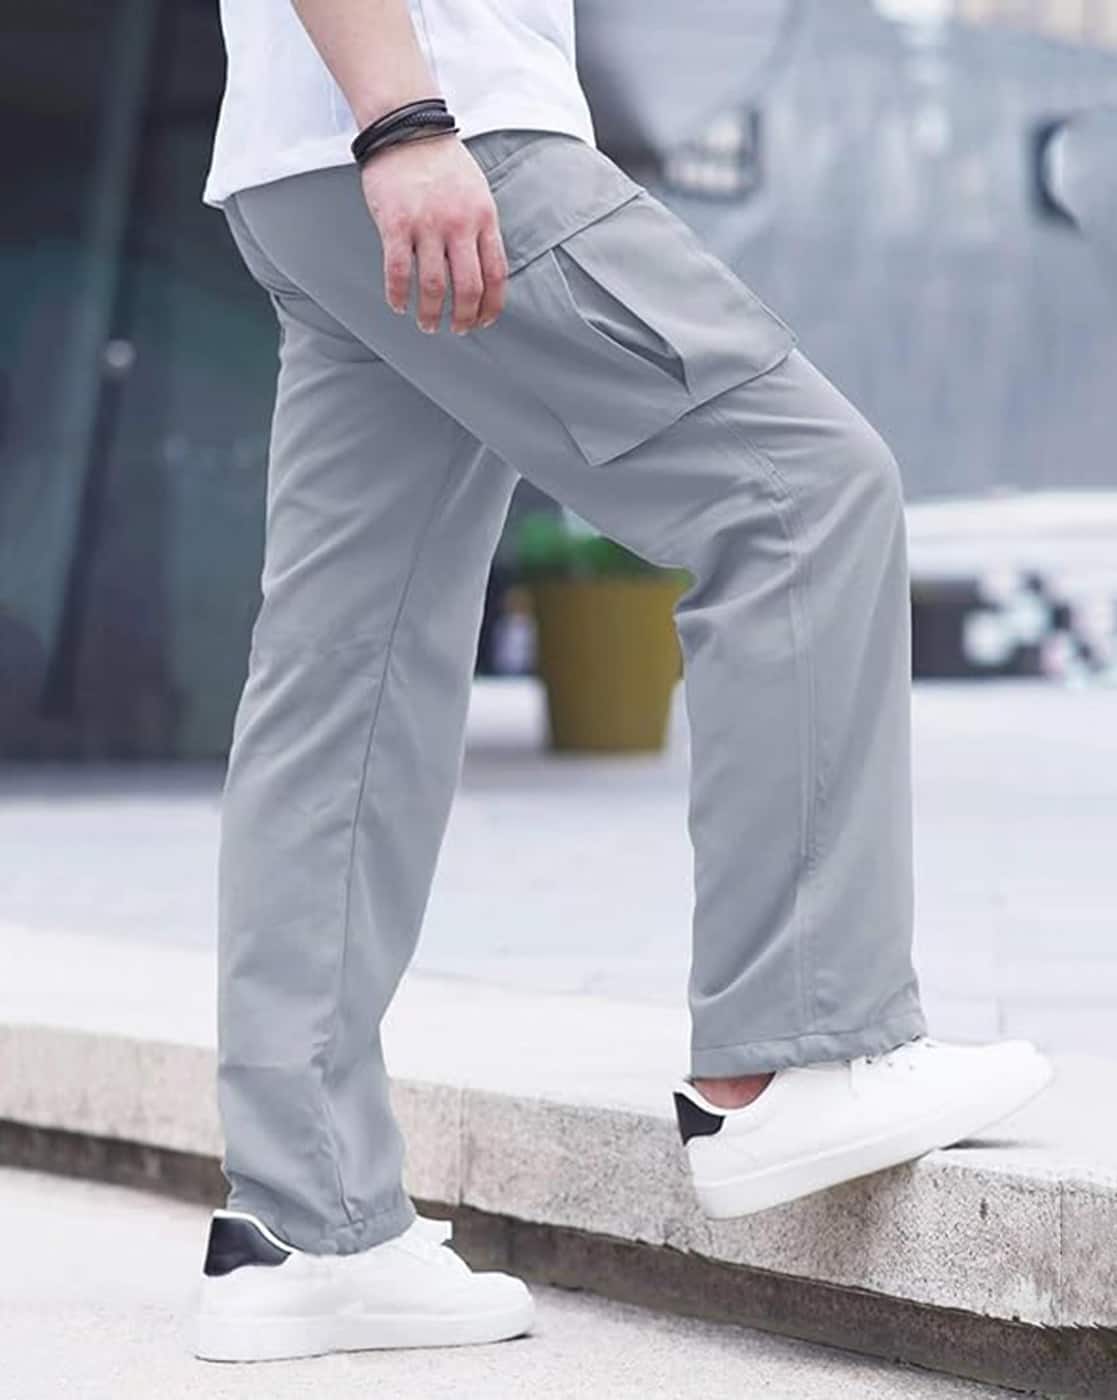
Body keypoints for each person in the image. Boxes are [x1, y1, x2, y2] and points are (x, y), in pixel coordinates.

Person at [193, 0, 1053, 1364]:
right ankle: (792, 1052)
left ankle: (305, 1229)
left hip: (304, 162)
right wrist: (406, 119)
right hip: (443, 125)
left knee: (344, 682)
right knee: (801, 493)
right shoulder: (427, 116)